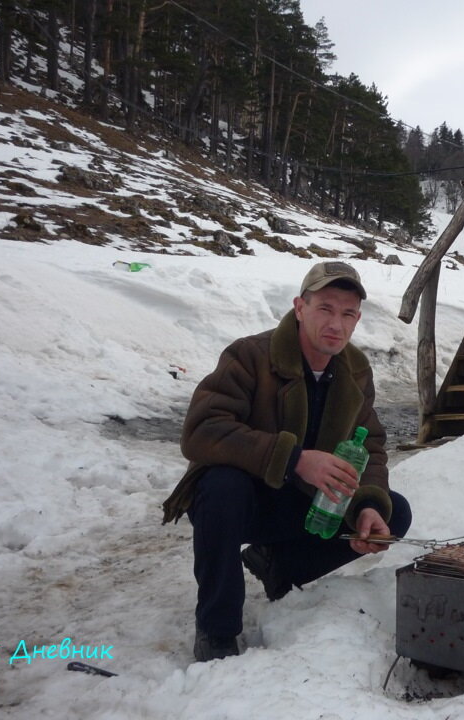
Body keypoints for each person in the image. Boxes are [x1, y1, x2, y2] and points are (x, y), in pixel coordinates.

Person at [161, 261, 412, 662]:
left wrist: (367, 504)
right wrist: (293, 458)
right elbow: (201, 430)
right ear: (299, 307)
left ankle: (279, 565)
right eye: (325, 308)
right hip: (245, 502)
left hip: (303, 505)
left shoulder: (354, 370)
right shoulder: (250, 355)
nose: (336, 323)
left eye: (347, 314)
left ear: (357, 320)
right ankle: (217, 627)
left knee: (392, 513)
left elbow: (373, 444)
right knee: (221, 485)